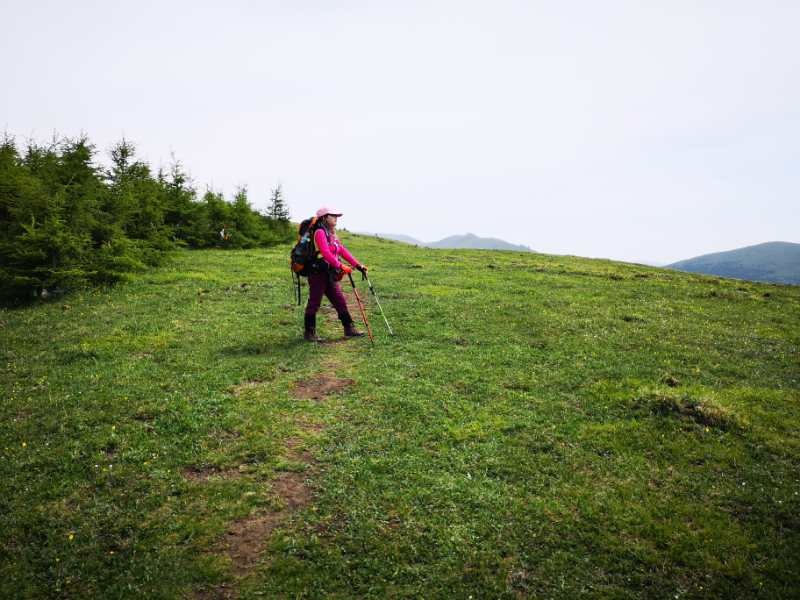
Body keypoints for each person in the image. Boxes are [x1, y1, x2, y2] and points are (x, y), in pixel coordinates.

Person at [304, 207, 368, 342]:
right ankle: (309, 333)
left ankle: (349, 329)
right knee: (314, 302)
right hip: (317, 273)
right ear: (324, 217)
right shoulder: (320, 232)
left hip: (328, 274)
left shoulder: (331, 234)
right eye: (333, 215)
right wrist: (341, 266)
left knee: (340, 301)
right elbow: (326, 253)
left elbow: (342, 251)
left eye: (336, 216)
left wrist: (358, 265)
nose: (336, 218)